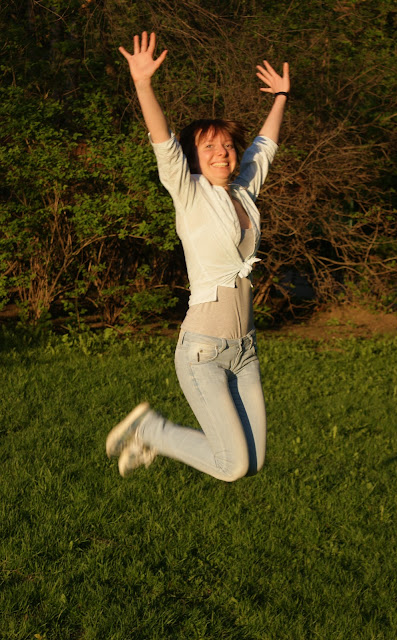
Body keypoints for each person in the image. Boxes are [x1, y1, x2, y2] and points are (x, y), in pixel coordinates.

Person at [106, 31, 290, 481]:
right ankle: (151, 430)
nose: (221, 153)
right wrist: (143, 84)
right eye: (209, 147)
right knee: (232, 466)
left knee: (253, 463)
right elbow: (163, 142)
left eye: (227, 146)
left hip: (245, 350)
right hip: (204, 351)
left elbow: (264, 148)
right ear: (192, 157)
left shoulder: (243, 193)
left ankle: (152, 435)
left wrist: (281, 98)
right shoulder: (189, 194)